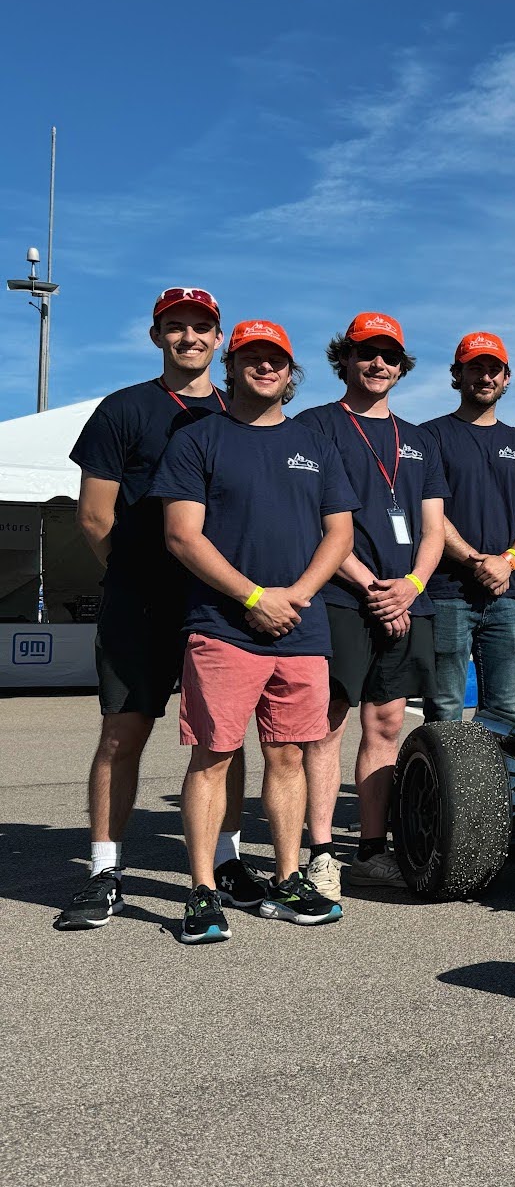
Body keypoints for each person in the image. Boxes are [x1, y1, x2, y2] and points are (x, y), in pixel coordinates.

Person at [57, 286, 262, 931]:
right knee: (124, 731)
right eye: (176, 327)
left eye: (201, 327)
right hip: (142, 601)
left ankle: (225, 860)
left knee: (222, 740)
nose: (190, 338)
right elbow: (94, 517)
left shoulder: (243, 413)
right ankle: (103, 870)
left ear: (219, 336)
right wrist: (137, 577)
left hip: (221, 600)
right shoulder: (124, 410)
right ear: (156, 336)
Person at [150, 319, 357, 943]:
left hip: (302, 627)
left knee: (289, 755)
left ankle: (290, 876)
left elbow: (339, 532)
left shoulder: (315, 443)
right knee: (212, 757)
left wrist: (296, 596)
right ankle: (202, 891)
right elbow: (181, 535)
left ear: (291, 373)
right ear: (231, 365)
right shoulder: (199, 438)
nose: (265, 368)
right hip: (222, 627)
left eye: (277, 361)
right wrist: (254, 596)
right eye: (252, 359)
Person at [297, 313, 447, 899]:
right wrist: (372, 587)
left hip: (410, 598)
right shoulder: (316, 427)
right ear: (346, 359)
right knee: (327, 725)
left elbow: (434, 528)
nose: (378, 364)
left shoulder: (420, 439)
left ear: (402, 365)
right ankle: (321, 852)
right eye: (366, 353)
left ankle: (371, 850)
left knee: (385, 724)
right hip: (341, 596)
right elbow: (312, 523)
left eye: (389, 355)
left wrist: (410, 585)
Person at [422, 333, 515, 723]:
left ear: (507, 378)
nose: (484, 376)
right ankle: (444, 787)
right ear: (456, 375)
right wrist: (476, 559)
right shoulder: (429, 436)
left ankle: (500, 789)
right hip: (446, 591)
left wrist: (508, 561)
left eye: (493, 369)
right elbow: (428, 511)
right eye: (474, 367)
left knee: (505, 713)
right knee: (444, 710)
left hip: (508, 595)